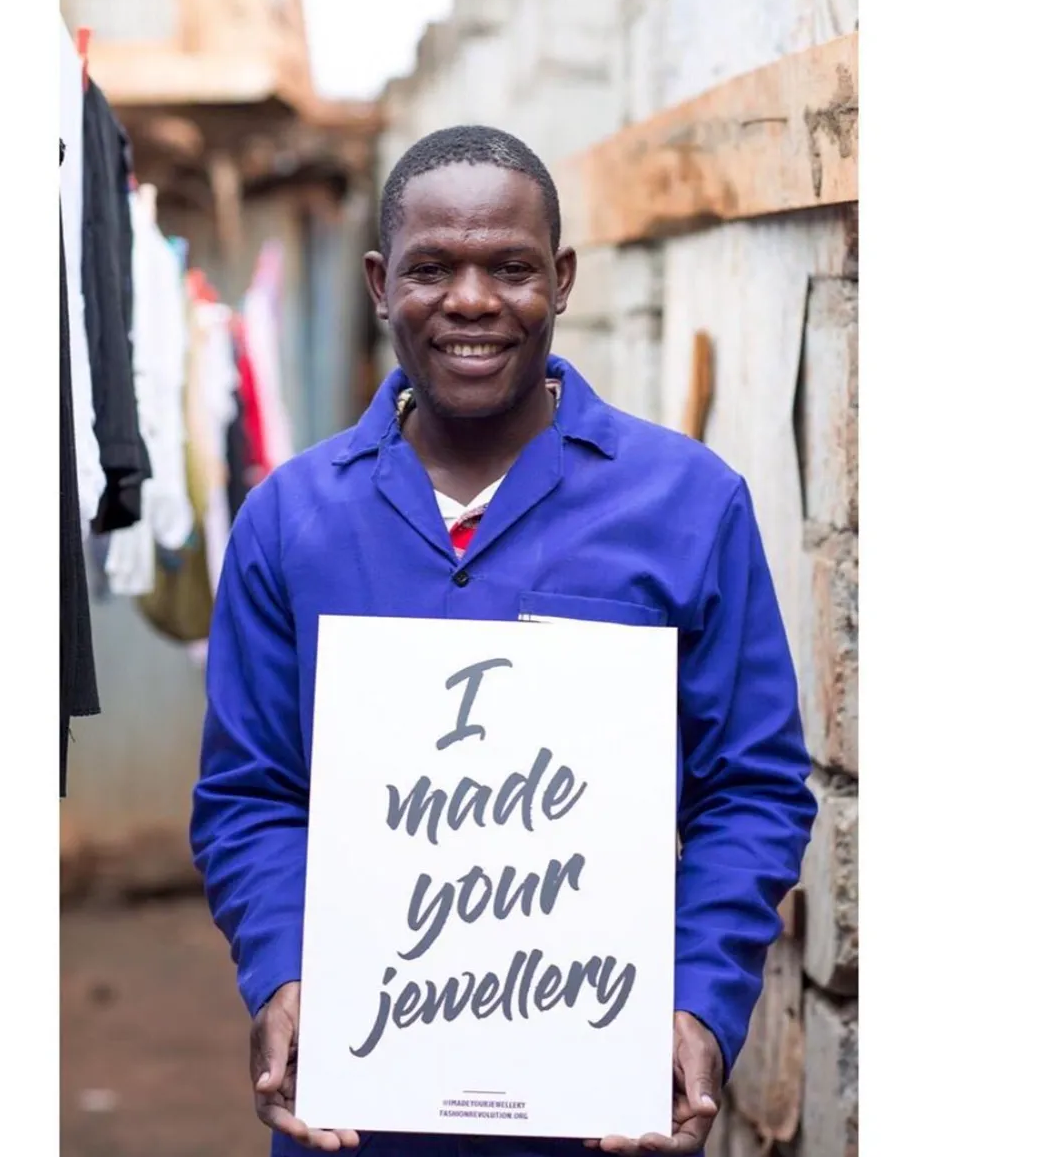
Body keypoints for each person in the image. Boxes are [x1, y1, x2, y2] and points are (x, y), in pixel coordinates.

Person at [191, 125, 817, 1157]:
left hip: (598, 1109)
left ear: (560, 280)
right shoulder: (290, 520)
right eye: (433, 268)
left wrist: (695, 1005)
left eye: (511, 267)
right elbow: (249, 793)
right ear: (379, 283)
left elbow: (749, 786)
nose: (473, 300)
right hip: (358, 1111)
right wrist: (284, 972)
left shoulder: (687, 503)